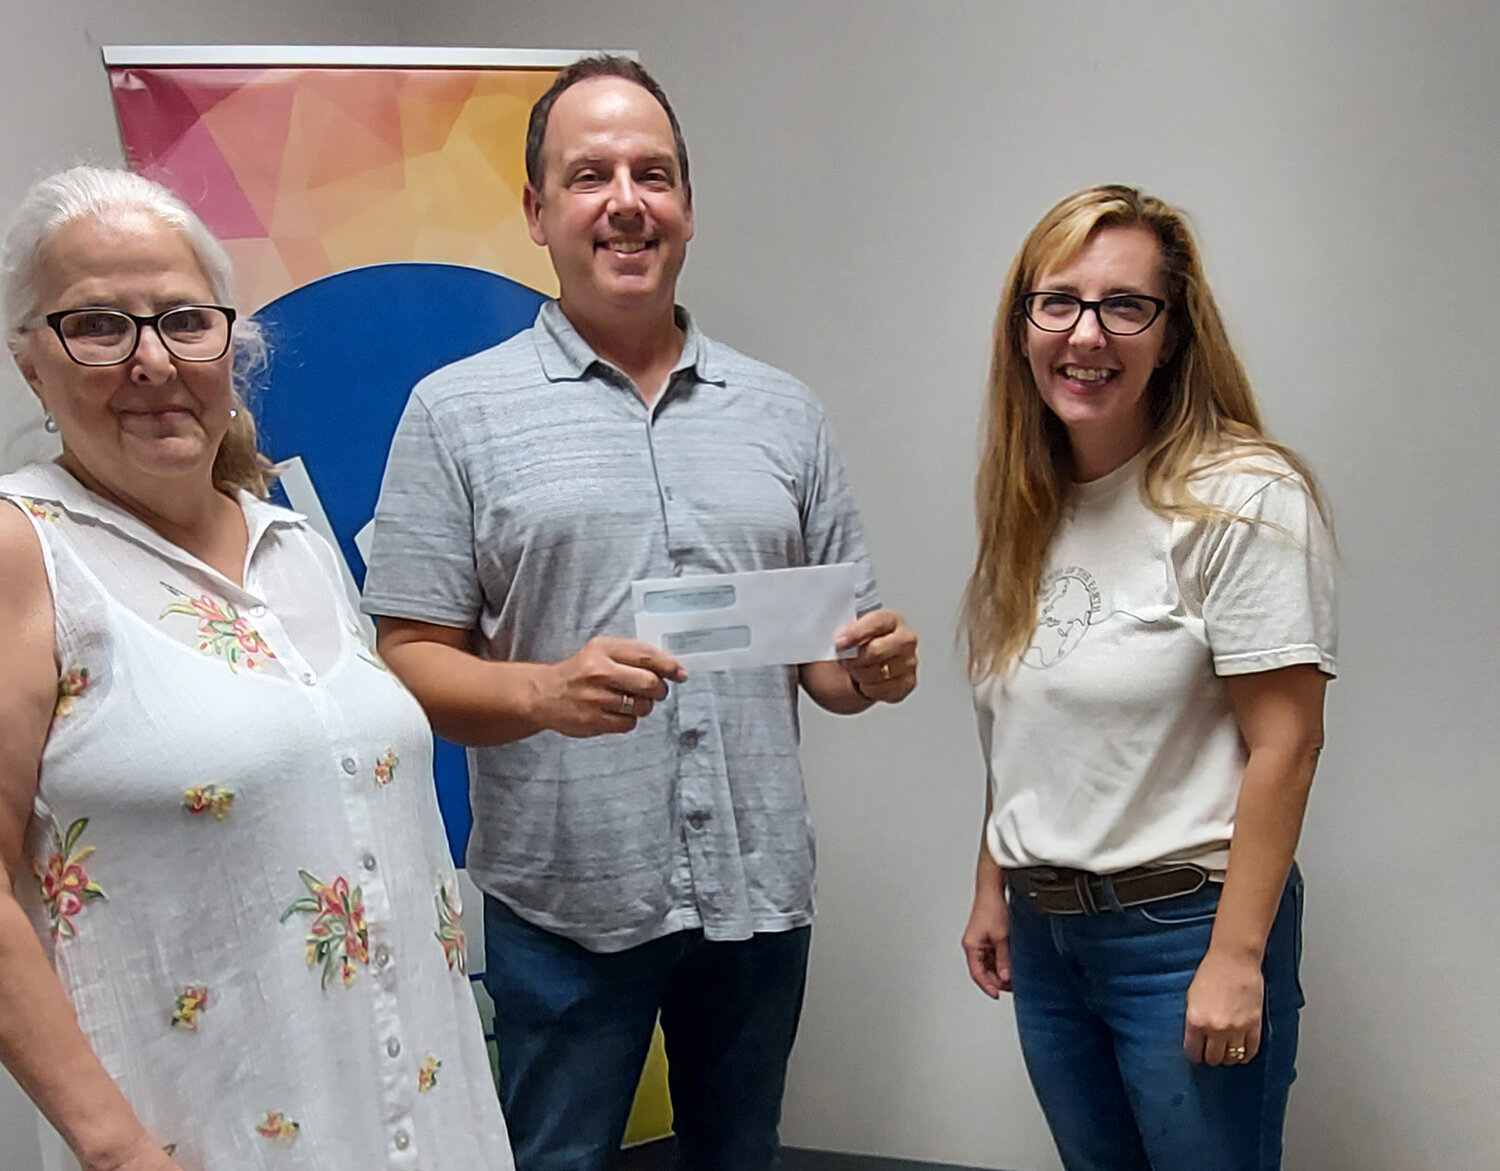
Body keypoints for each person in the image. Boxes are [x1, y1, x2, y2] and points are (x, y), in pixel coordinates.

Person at [362, 55, 918, 1171]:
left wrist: (871, 668)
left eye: (652, 173)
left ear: (687, 207)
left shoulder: (785, 412)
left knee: (739, 1155)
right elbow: (408, 660)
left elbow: (825, 661)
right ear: (536, 211)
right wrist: (543, 690)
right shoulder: (453, 412)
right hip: (567, 901)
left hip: (755, 901)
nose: (626, 199)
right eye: (589, 175)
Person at [0, 166, 513, 1171]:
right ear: (31, 362)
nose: (152, 360)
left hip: (422, 1117)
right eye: (99, 326)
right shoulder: (29, 554)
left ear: (231, 346)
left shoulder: (295, 544)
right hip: (203, 1138)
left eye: (184, 320)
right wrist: (116, 1151)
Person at [960, 185, 1336, 1171]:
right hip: (1048, 938)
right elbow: (1026, 721)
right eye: (1060, 302)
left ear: (1172, 333)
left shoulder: (1242, 497)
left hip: (1182, 932)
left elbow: (1287, 741)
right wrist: (993, 882)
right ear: (1024, 325)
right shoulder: (1030, 509)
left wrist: (1237, 956)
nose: (1088, 334)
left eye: (1126, 304)